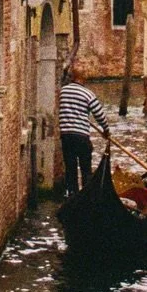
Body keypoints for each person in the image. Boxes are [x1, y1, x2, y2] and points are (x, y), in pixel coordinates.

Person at [58, 64, 110, 195]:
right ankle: (87, 194)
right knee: (86, 168)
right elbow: (99, 115)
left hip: (66, 136)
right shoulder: (88, 94)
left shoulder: (63, 91)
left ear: (72, 77)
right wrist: (106, 130)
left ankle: (73, 194)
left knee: (70, 167)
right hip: (81, 136)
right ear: (83, 78)